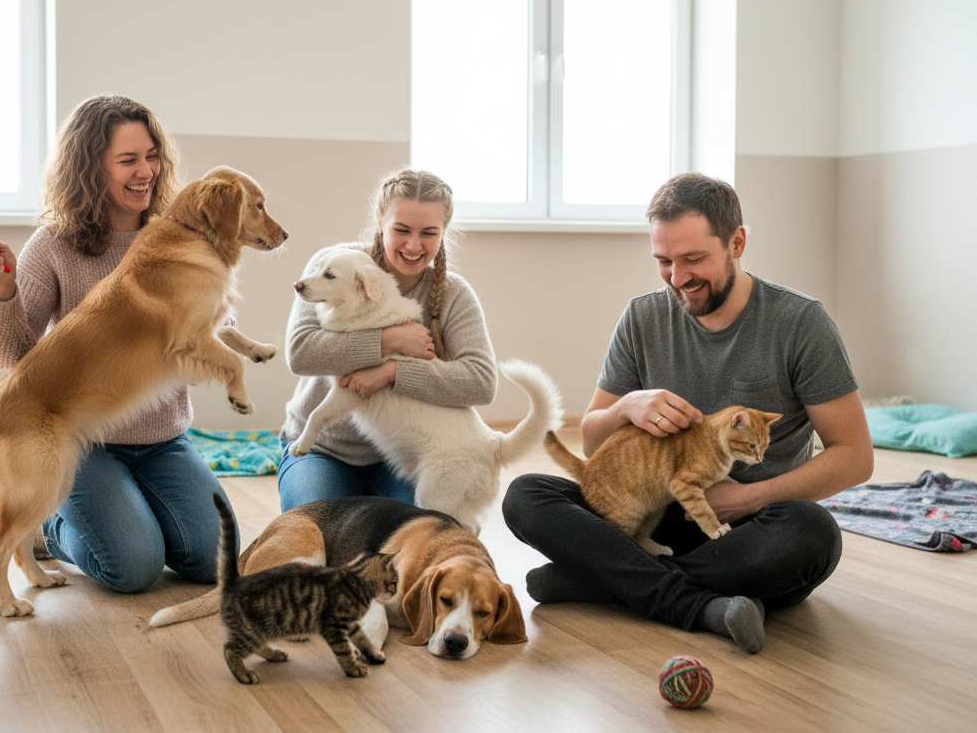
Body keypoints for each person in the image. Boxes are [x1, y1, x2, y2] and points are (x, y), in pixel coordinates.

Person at [502, 172, 873, 653]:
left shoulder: (800, 323)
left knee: (813, 535)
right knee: (526, 495)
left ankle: (600, 584)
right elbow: (592, 441)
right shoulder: (642, 317)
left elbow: (855, 456)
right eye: (663, 261)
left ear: (736, 243)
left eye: (693, 259)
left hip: (749, 529)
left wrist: (746, 499)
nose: (678, 278)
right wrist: (625, 409)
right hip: (654, 514)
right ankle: (700, 603)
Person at [0, 94, 235, 594]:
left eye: (152, 155)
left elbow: (202, 334)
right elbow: (6, 357)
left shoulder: (180, 233)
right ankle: (49, 522)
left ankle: (127, 508)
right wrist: (4, 289)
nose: (147, 171)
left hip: (163, 439)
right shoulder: (54, 244)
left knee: (212, 557)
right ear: (90, 168)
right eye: (128, 160)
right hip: (83, 443)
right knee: (133, 568)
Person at [278, 168, 498, 509]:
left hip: (402, 458)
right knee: (315, 534)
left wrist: (392, 371)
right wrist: (389, 340)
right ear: (380, 222)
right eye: (401, 230)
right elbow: (301, 353)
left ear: (443, 233)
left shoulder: (454, 293)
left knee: (421, 540)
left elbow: (480, 383)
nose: (414, 245)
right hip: (324, 448)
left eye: (428, 233)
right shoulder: (335, 264)